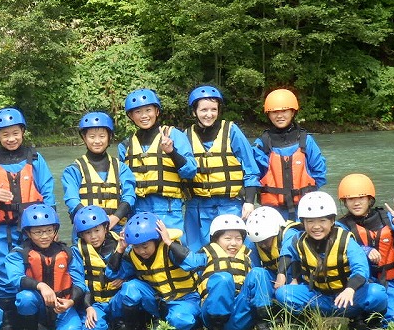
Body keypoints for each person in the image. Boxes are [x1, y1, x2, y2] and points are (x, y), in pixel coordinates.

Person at [0, 108, 55, 330]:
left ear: (23, 132)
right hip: (4, 227)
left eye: (15, 133)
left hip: (34, 227)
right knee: (3, 267)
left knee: (35, 264)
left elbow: (47, 191)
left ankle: (34, 314)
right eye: (5, 134)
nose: (11, 138)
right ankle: (9, 318)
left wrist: (49, 225)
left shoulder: (36, 159)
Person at [275, 191, 388, 330]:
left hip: (347, 298)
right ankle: (304, 323)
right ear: (303, 223)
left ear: (332, 221)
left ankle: (366, 322)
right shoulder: (298, 240)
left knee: (377, 293)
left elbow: (361, 270)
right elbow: (291, 257)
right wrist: (288, 276)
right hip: (318, 296)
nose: (316, 227)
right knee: (283, 293)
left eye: (322, 221)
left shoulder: (346, 240)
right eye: (310, 222)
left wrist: (350, 289)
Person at [0, 204, 88, 330]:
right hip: (37, 303)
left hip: (62, 303)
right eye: (38, 232)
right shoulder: (18, 254)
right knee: (25, 298)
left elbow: (80, 284)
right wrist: (41, 286)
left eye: (48, 231)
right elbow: (16, 279)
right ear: (28, 233)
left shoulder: (68, 253)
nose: (44, 236)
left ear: (55, 231)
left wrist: (70, 301)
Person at [170, 214, 275, 330]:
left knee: (259, 273)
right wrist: (169, 243)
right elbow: (188, 260)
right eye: (227, 238)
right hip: (212, 316)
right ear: (216, 239)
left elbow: (259, 286)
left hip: (240, 312)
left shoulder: (247, 256)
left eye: (238, 238)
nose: (233, 243)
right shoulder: (206, 254)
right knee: (223, 279)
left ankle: (263, 327)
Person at [104, 213, 202, 330]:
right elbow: (110, 274)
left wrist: (168, 241)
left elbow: (194, 263)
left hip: (184, 299)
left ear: (156, 240)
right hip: (158, 301)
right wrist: (120, 248)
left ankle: (194, 329)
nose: (141, 251)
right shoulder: (133, 255)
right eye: (136, 247)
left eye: (145, 246)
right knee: (130, 287)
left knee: (180, 320)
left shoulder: (170, 249)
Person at [183, 85, 261, 251]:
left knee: (237, 253)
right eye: (203, 110)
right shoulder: (186, 136)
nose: (209, 114)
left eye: (213, 109)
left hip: (230, 205)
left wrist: (249, 202)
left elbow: (250, 169)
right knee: (199, 255)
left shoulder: (232, 131)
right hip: (197, 206)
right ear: (194, 112)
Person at [337, 174, 394, 328]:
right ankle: (360, 317)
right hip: (358, 283)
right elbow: (341, 248)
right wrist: (365, 250)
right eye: (350, 199)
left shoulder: (389, 220)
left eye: (361, 198)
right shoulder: (341, 226)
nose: (356, 203)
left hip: (386, 281)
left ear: (370, 199)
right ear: (344, 202)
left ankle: (374, 319)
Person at [118, 89, 196, 232]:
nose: (144, 116)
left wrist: (171, 152)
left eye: (148, 110)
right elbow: (124, 184)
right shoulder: (125, 145)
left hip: (169, 208)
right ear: (131, 116)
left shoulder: (174, 135)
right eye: (137, 112)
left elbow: (190, 171)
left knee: (171, 251)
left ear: (157, 111)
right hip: (137, 209)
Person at [252, 88, 327, 220]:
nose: (279, 116)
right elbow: (253, 175)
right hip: (273, 211)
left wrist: (308, 194)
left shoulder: (306, 140)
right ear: (268, 114)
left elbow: (319, 172)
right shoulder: (261, 143)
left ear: (293, 112)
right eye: (275, 112)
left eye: (284, 111)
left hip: (305, 209)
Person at [61, 112, 135, 240]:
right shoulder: (74, 170)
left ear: (109, 137)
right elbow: (72, 200)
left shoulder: (121, 168)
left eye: (102, 136)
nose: (97, 141)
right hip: (86, 232)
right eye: (91, 136)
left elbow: (129, 197)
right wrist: (93, 225)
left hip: (115, 228)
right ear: (84, 138)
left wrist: (115, 218)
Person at [72, 205, 124, 330]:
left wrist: (125, 278)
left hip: (117, 298)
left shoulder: (121, 242)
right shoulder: (77, 251)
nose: (94, 236)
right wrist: (88, 306)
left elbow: (134, 268)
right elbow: (78, 282)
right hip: (95, 302)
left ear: (106, 228)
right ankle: (105, 327)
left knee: (132, 293)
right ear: (82, 235)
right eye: (88, 233)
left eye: (97, 230)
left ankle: (125, 324)